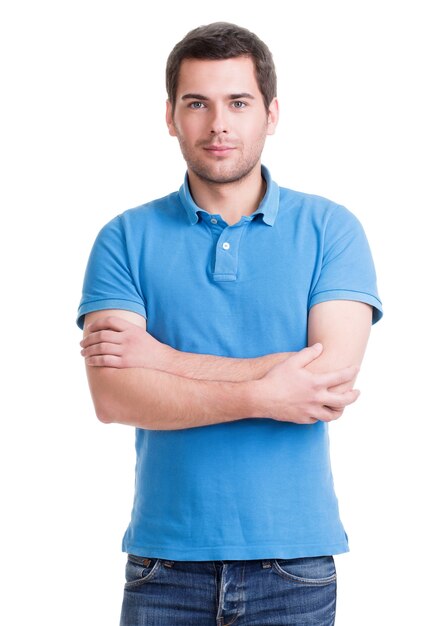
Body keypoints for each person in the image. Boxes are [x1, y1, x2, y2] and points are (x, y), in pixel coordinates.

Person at [77, 22, 382, 626]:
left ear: (270, 113)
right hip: (164, 564)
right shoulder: (124, 238)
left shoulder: (331, 230)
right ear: (171, 116)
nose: (218, 123)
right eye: (198, 103)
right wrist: (266, 394)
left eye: (238, 103)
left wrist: (160, 358)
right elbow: (113, 396)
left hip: (293, 563)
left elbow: (327, 382)